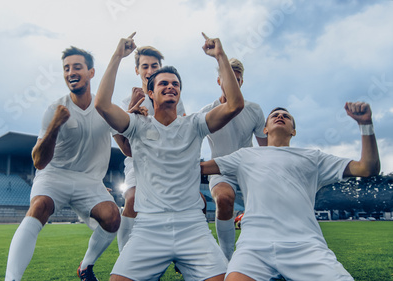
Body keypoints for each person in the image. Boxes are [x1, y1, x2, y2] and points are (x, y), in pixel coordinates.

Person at [95, 32, 244, 281]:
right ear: (150, 94)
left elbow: (234, 105)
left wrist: (220, 55)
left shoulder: (194, 124)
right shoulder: (137, 124)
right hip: (149, 228)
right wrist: (117, 56)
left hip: (192, 227)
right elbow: (101, 104)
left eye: (175, 83)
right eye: (163, 83)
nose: (170, 86)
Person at [201, 103, 380, 280]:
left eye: (286, 117)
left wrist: (366, 125)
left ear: (293, 132)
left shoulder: (312, 157)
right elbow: (200, 168)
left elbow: (367, 168)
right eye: (275, 115)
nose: (280, 116)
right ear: (264, 129)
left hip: (306, 247)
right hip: (254, 247)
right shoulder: (245, 156)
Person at [4, 46, 120, 281]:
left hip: (89, 181)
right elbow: (38, 162)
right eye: (66, 68)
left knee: (112, 217)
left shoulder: (104, 107)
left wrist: (135, 118)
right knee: (39, 207)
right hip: (54, 175)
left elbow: (126, 145)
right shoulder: (54, 109)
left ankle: (85, 266)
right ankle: (11, 279)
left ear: (91, 72)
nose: (70, 72)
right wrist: (55, 125)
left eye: (77, 67)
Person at [113, 46, 187, 253]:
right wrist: (131, 113)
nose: (149, 70)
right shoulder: (128, 101)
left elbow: (181, 132)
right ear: (137, 70)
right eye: (144, 66)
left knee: (195, 203)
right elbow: (126, 148)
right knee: (133, 199)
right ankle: (124, 257)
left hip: (167, 161)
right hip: (139, 162)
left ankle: (182, 253)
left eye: (154, 65)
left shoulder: (173, 98)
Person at [199, 57, 267, 261]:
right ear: (220, 81)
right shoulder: (205, 113)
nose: (233, 84)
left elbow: (266, 149)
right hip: (220, 171)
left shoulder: (254, 110)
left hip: (249, 169)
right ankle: (227, 258)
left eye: (237, 80)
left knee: (265, 203)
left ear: (241, 82)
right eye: (228, 80)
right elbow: (189, 142)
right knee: (224, 199)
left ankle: (261, 253)